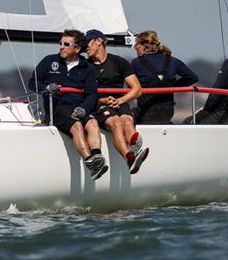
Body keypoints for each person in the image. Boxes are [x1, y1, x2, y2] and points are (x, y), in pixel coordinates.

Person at [29, 29, 108, 180]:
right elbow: (32, 82)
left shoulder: (88, 68)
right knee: (77, 126)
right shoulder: (49, 61)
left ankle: (97, 156)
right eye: (60, 43)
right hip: (58, 108)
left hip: (80, 107)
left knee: (92, 123)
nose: (61, 47)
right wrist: (46, 88)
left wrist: (84, 109)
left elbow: (92, 93)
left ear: (77, 48)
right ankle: (90, 162)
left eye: (66, 44)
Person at [85, 29, 150, 175]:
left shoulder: (119, 62)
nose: (85, 47)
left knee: (127, 120)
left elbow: (137, 89)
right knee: (116, 122)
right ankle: (130, 158)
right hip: (98, 104)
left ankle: (135, 152)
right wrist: (102, 99)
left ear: (99, 42)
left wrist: (120, 100)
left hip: (119, 102)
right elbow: (83, 92)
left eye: (88, 43)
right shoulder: (84, 66)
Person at [130, 30, 198, 124]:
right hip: (167, 113)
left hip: (145, 113)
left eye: (136, 45)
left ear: (144, 46)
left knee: (124, 118)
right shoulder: (173, 61)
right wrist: (173, 87)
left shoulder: (136, 62)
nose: (134, 47)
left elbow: (131, 88)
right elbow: (193, 77)